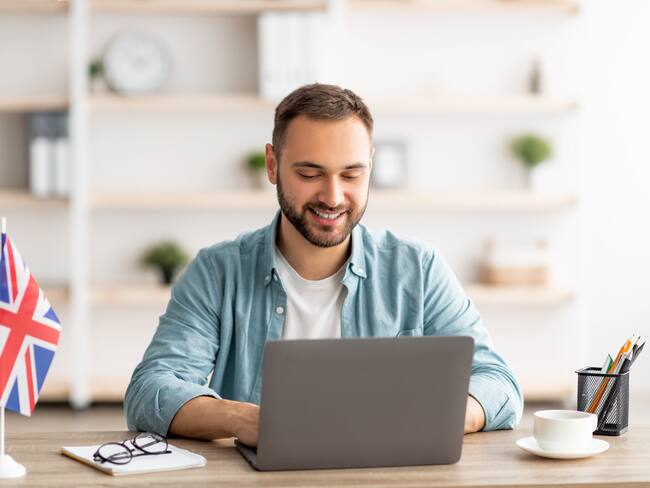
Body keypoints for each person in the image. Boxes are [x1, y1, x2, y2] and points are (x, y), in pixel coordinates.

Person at [125, 83, 523, 447]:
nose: (333, 197)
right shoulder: (217, 272)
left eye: (351, 174)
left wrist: (428, 417)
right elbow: (150, 391)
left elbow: (499, 386)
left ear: (370, 165)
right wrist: (246, 419)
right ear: (272, 165)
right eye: (310, 173)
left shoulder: (418, 269)